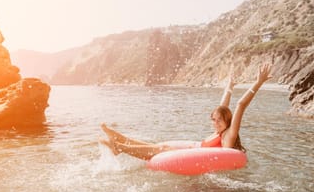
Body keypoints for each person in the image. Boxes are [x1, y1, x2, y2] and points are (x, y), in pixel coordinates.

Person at [100, 63, 272, 161]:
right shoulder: (219, 130)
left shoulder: (229, 135)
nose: (215, 122)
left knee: (160, 150)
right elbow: (222, 106)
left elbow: (241, 105)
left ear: (227, 120)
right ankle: (119, 139)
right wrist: (229, 87)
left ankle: (120, 147)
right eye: (213, 119)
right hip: (194, 147)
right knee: (160, 146)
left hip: (196, 154)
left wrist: (259, 82)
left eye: (219, 120)